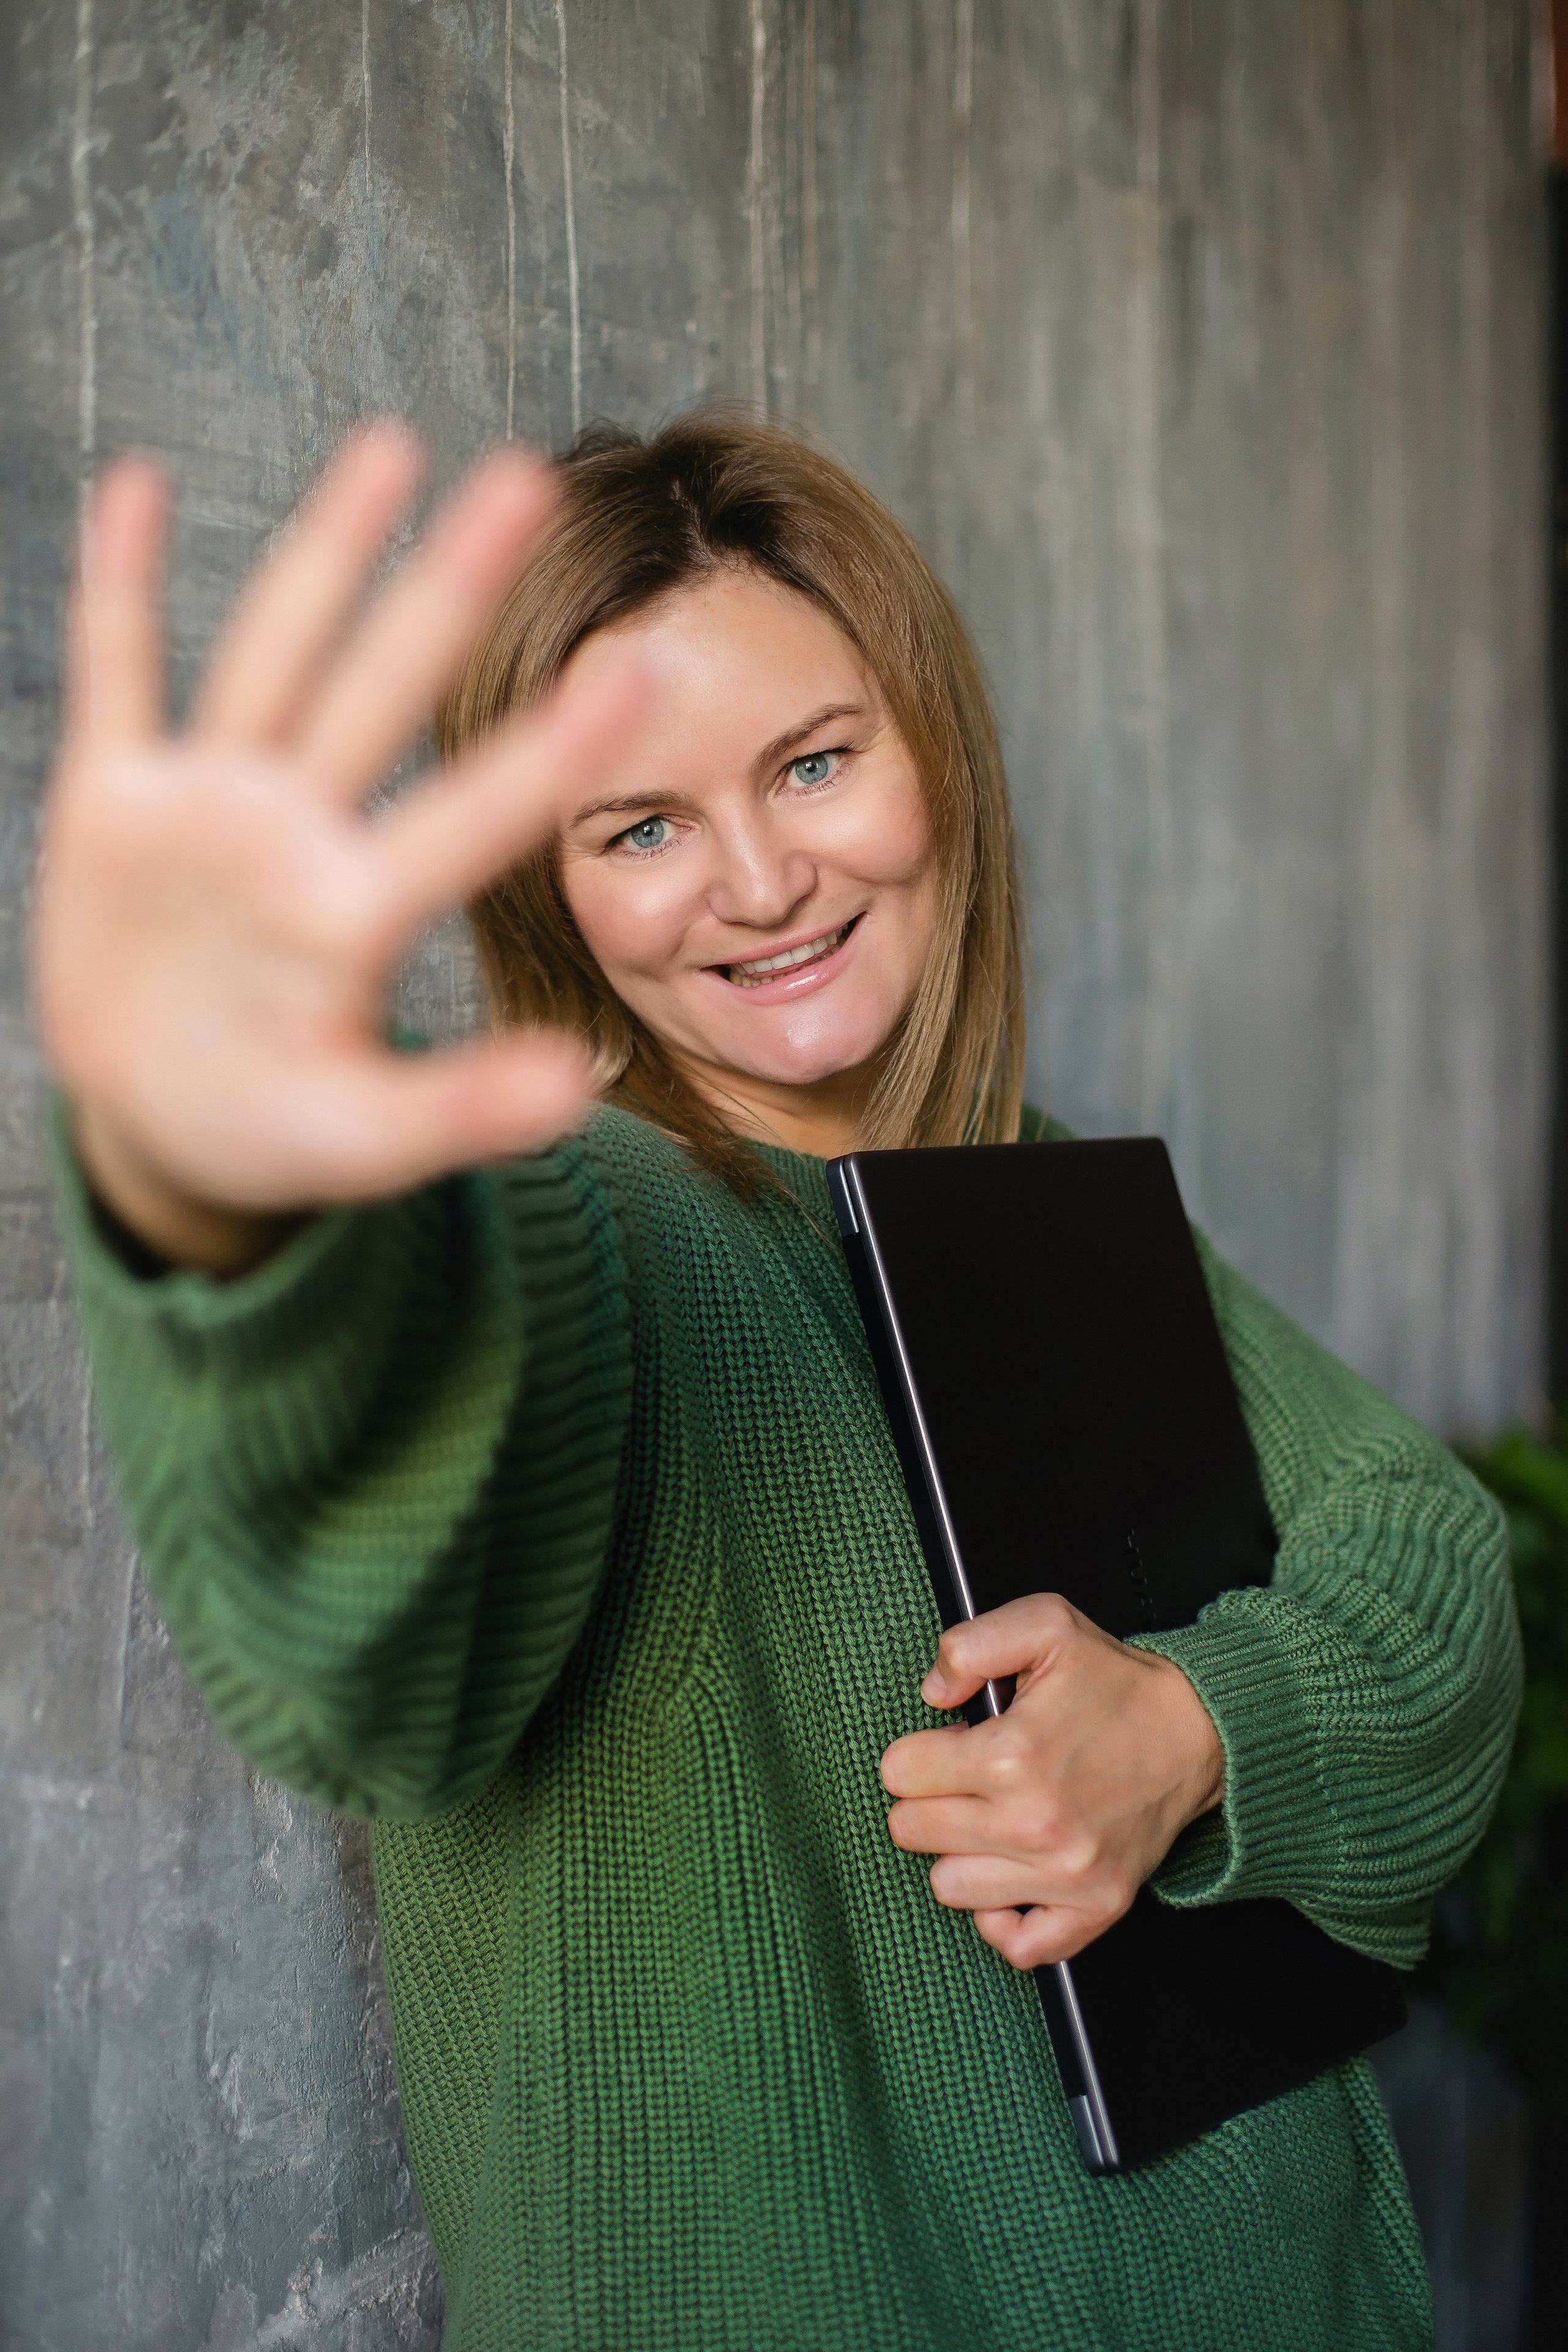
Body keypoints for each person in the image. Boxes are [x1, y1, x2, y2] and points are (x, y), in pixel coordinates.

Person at [35, 411, 1518, 2351]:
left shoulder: (1031, 1180)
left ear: (934, 752)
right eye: (638, 827)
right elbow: (363, 1594)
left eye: (814, 763)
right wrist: (221, 1189)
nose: (756, 881)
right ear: (548, 891)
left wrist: (1197, 1728)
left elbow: (1435, 1559)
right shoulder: (581, 1217)